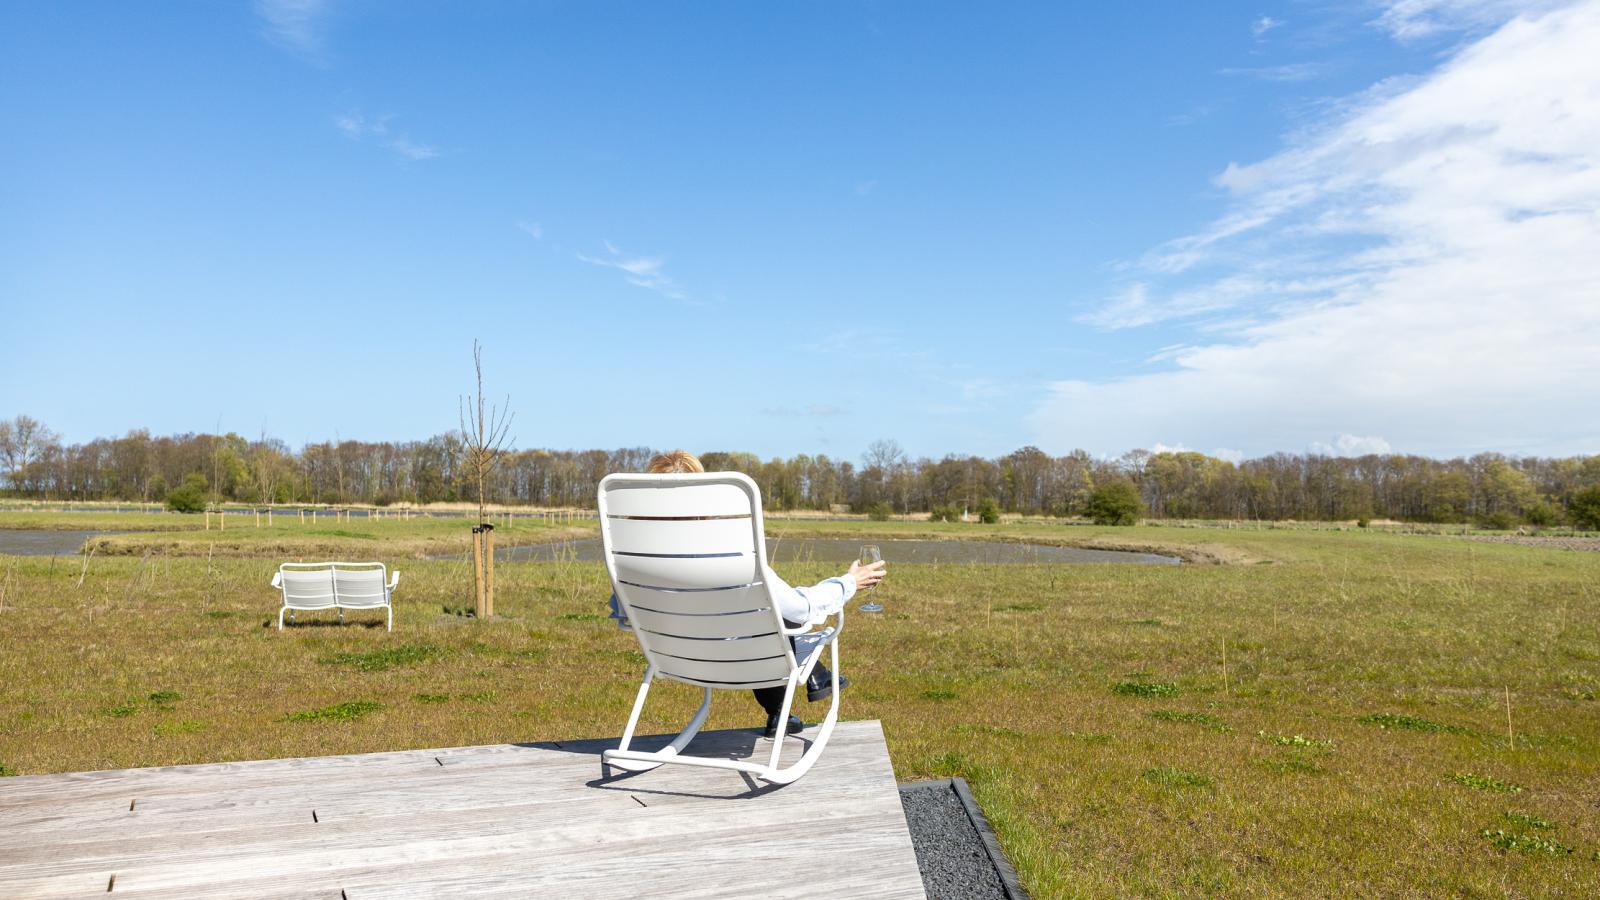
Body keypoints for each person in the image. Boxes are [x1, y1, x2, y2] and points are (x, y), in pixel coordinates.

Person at [605, 449, 886, 738]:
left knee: (759, 613)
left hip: (675, 661)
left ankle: (800, 691)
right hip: (743, 662)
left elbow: (623, 615)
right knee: (769, 615)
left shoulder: (628, 557)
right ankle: (813, 675)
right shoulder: (730, 550)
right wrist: (848, 582)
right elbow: (799, 609)